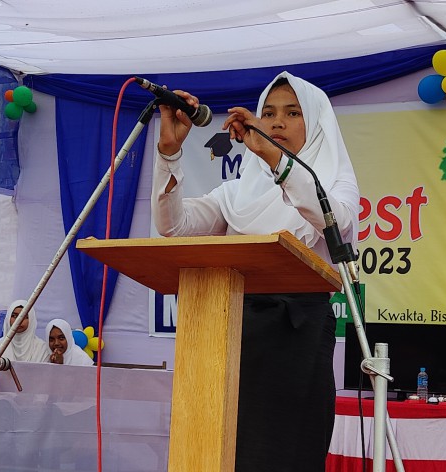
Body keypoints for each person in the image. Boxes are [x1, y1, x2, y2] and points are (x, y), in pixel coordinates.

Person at [151, 71, 359, 471]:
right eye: (269, 113)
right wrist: (170, 153)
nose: (277, 122)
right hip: (227, 336)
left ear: (316, 123)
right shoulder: (236, 193)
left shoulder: (335, 186)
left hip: (296, 340)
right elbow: (173, 226)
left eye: (292, 113)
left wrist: (275, 158)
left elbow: (337, 222)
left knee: (282, 456)